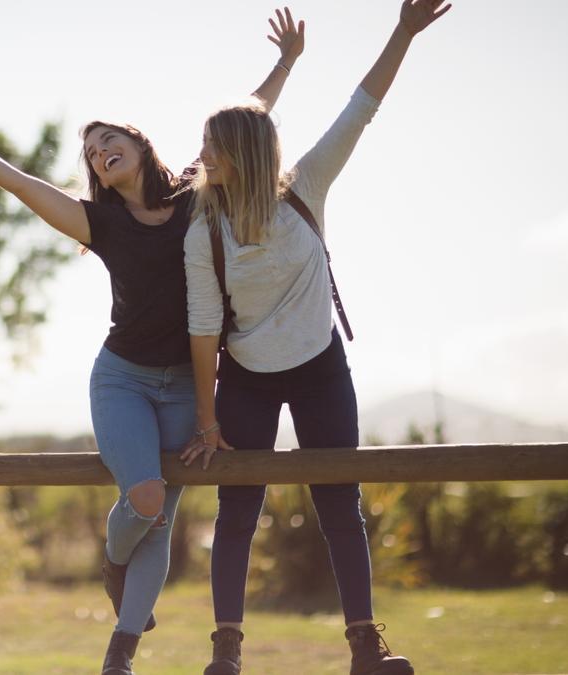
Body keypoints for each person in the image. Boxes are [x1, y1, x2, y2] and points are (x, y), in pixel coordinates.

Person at [0, 10, 304, 674]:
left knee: (159, 514)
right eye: (92, 150)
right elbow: (15, 182)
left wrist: (287, 61)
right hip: (122, 379)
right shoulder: (97, 221)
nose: (99, 150)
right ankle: (113, 557)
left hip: (188, 382)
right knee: (146, 501)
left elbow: (248, 123)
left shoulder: (192, 193)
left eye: (109, 137)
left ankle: (119, 656)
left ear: (137, 141)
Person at [179, 2, 451, 674]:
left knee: (340, 505)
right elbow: (205, 330)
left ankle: (365, 649)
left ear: (237, 154)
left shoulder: (305, 187)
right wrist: (209, 422)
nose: (201, 155)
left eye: (210, 145)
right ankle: (226, 655)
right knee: (237, 509)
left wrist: (403, 33)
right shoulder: (202, 228)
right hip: (245, 377)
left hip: (320, 368)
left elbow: (361, 105)